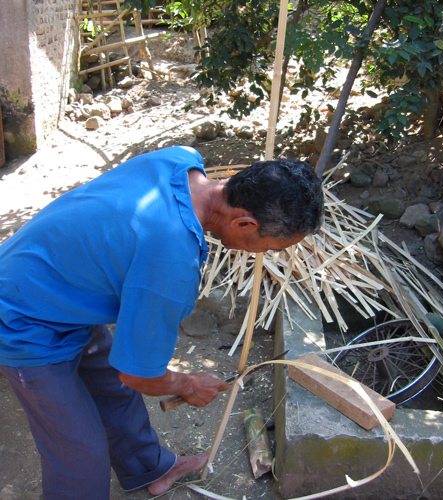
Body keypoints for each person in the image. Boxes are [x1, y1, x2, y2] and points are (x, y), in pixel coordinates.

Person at [0, 145, 324, 499]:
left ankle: (149, 468)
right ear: (244, 223)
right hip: (19, 316)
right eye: (271, 248)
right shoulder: (171, 261)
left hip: (59, 283)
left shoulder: (180, 159)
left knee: (113, 389)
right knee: (80, 452)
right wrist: (186, 384)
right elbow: (138, 374)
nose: (264, 255)